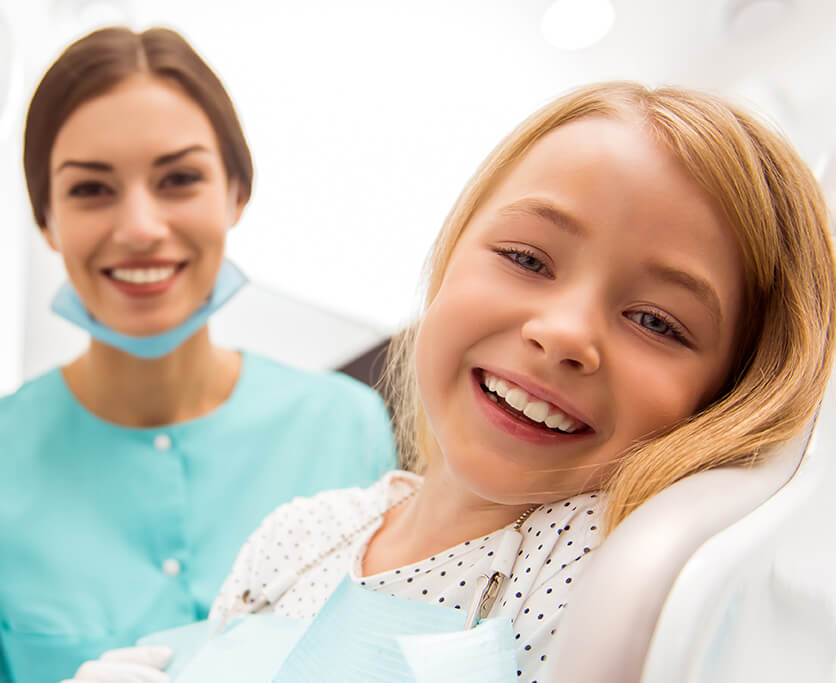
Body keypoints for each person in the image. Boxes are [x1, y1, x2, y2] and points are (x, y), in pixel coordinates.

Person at [72, 81, 835, 682]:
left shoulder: (601, 567)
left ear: (728, 394)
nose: (564, 331)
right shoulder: (299, 534)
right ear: (449, 259)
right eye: (528, 259)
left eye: (658, 322)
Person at [0, 26, 396, 683]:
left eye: (179, 178)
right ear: (46, 219)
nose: (140, 228)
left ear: (236, 193)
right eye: (91, 189)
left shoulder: (347, 428)